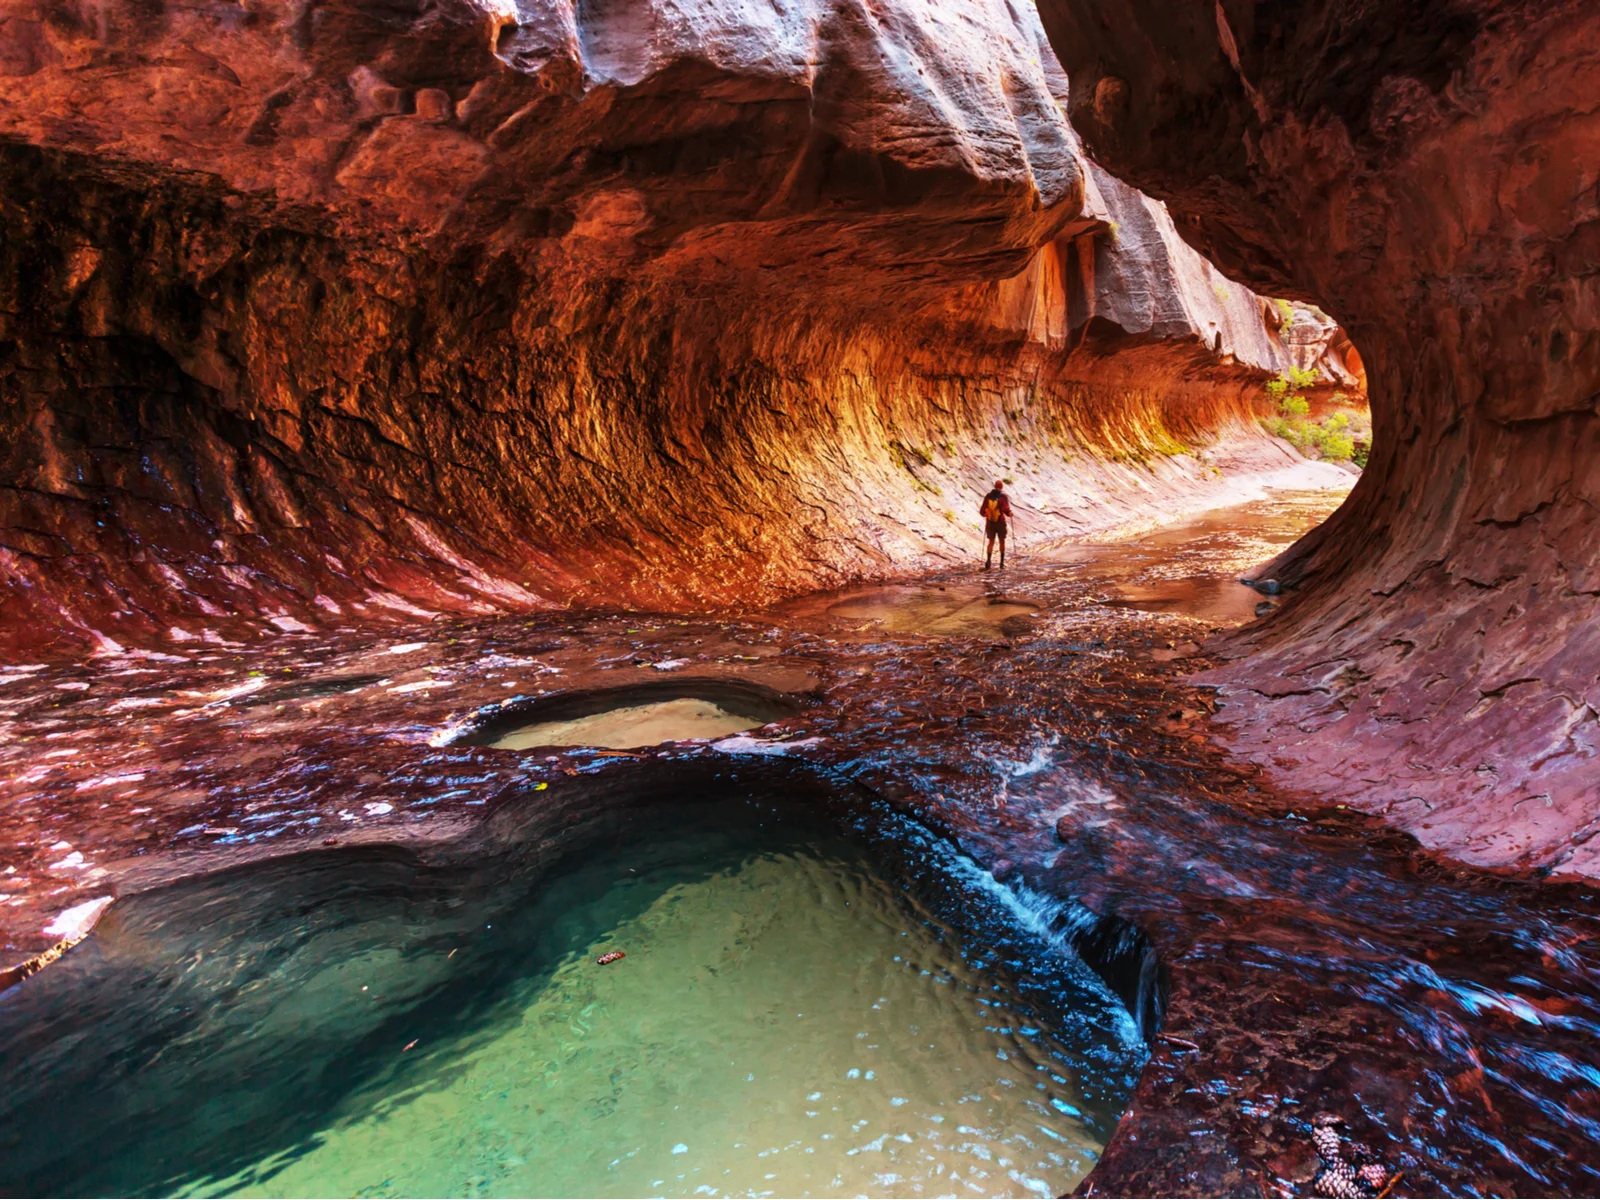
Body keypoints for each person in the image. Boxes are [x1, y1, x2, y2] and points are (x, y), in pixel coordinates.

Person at [978, 479, 1013, 570]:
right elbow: (1006, 509)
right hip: (1000, 522)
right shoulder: (1003, 497)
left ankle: (988, 561)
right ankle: (1001, 563)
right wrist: (1010, 513)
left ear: (994, 486)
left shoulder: (988, 496)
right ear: (1002, 487)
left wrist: (986, 514)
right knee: (1002, 541)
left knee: (991, 542)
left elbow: (982, 511)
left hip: (990, 522)